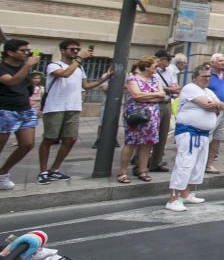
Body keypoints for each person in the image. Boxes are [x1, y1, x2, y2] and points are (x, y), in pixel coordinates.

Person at [38, 40, 111, 184]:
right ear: (63, 50)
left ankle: (54, 169)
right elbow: (65, 74)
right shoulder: (54, 65)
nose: (76, 51)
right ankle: (43, 171)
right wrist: (79, 59)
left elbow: (87, 85)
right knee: (49, 138)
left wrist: (105, 79)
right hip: (55, 107)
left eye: (78, 49)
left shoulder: (79, 68)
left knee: (71, 139)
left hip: (74, 107)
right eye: (72, 49)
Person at [166, 63, 224, 211]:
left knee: (197, 166)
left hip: (203, 134)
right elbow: (207, 105)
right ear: (195, 77)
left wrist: (216, 105)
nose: (207, 79)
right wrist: (216, 105)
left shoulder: (208, 91)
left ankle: (186, 193)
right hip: (189, 133)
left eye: (208, 76)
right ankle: (173, 199)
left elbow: (222, 104)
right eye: (204, 76)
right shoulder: (190, 88)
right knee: (184, 164)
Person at [0, 39, 41, 190]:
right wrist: (28, 65)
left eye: (27, 51)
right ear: (10, 52)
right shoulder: (2, 67)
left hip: (24, 110)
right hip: (4, 110)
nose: (26, 53)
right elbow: (11, 82)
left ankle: (3, 173)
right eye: (22, 51)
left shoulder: (24, 68)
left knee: (27, 144)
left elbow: (27, 87)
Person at [118, 56, 166, 183]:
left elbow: (162, 96)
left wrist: (146, 97)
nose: (157, 67)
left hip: (152, 115)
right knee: (131, 143)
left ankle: (143, 170)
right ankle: (122, 172)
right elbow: (136, 96)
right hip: (136, 115)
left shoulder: (156, 79)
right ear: (146, 67)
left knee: (147, 144)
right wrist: (154, 95)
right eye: (155, 65)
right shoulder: (132, 79)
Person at [148, 50, 181, 174]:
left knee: (163, 134)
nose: (169, 61)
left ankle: (156, 162)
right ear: (160, 60)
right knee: (150, 133)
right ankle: (142, 159)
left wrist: (167, 89)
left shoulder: (171, 72)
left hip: (167, 103)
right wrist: (168, 89)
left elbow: (175, 87)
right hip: (155, 104)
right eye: (167, 59)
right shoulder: (153, 72)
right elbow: (154, 87)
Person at [205, 54, 224, 174]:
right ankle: (200, 163)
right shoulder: (207, 75)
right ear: (212, 63)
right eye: (220, 61)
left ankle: (209, 164)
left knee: (217, 138)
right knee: (207, 138)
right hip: (212, 111)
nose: (223, 63)